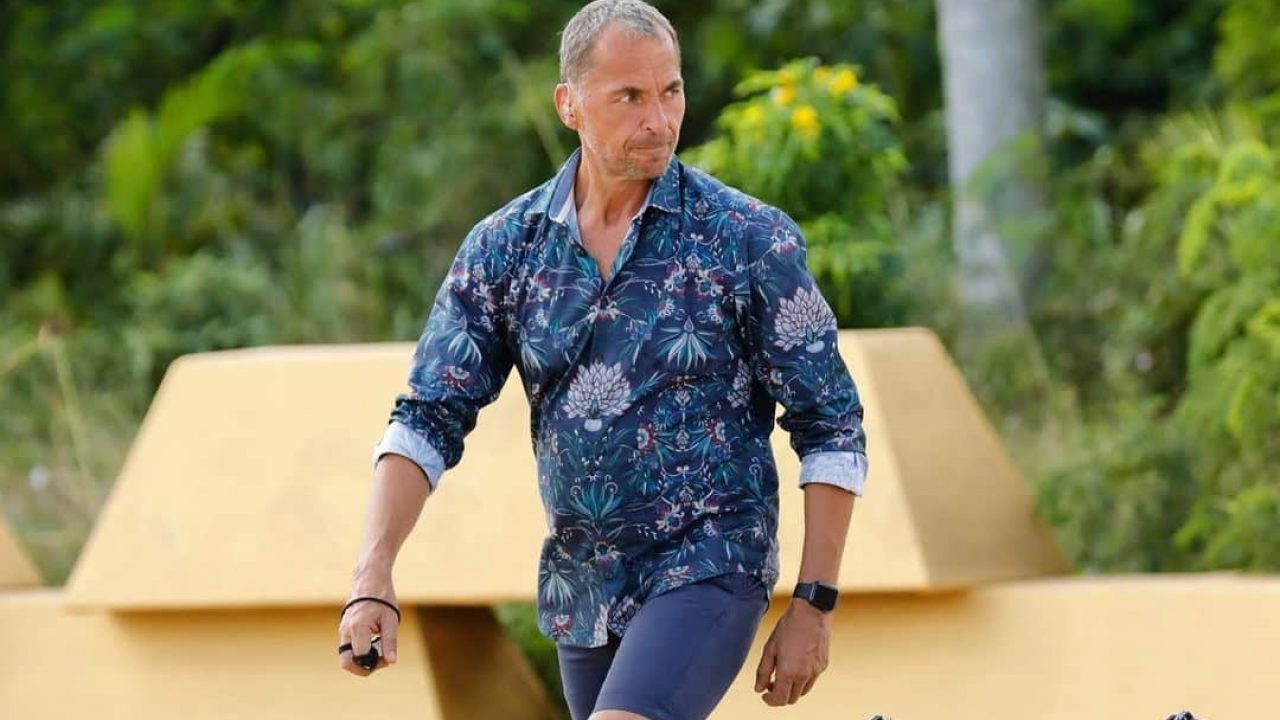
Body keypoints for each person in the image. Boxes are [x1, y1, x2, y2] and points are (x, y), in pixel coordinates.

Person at [337, 2, 868, 718]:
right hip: (582, 590)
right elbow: (428, 416)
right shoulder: (506, 249)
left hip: (710, 562)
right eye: (630, 97)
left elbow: (832, 422)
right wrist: (372, 575)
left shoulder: (747, 239)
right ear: (569, 105)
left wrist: (814, 602)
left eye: (671, 91)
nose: (659, 119)